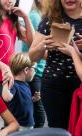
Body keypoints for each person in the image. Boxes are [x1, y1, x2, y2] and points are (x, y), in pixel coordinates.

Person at [29, 0, 82, 129]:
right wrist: (43, 45)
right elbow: (33, 56)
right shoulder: (49, 20)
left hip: (80, 84)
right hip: (54, 86)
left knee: (78, 131)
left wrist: (75, 52)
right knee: (59, 131)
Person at [21, 0, 47, 128]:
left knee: (36, 105)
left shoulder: (38, 15)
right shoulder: (35, 16)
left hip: (38, 68)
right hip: (34, 69)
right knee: (38, 111)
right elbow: (34, 45)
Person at [2, 53, 40, 130]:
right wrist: (5, 81)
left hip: (27, 124)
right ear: (26, 70)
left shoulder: (26, 84)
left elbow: (22, 101)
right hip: (17, 125)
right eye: (34, 69)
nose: (35, 72)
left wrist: (33, 99)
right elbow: (6, 97)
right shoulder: (13, 84)